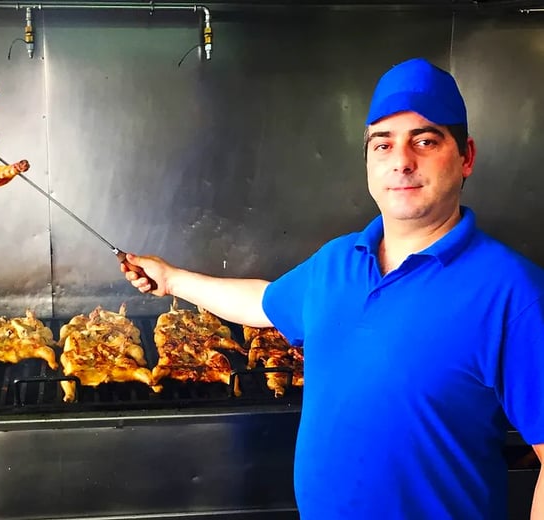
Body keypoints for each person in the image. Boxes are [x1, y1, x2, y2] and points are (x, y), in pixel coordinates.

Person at [121, 57, 544, 519]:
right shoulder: (338, 260)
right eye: (383, 144)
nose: (402, 161)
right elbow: (263, 303)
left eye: (425, 140)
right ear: (368, 160)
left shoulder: (514, 294)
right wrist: (173, 278)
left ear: (466, 157)